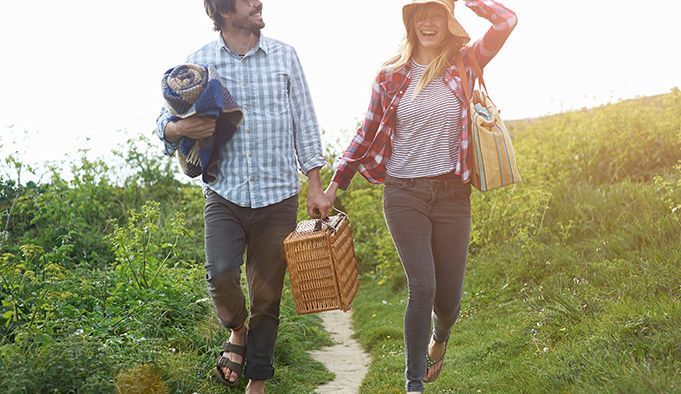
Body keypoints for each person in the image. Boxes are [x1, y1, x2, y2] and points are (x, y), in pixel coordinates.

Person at [324, 0, 517, 392]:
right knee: (423, 287)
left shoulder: (464, 63)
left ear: (449, 21)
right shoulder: (390, 76)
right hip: (403, 193)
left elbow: (507, 21)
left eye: (438, 14)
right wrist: (334, 185)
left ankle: (440, 337)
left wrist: (470, 3)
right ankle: (414, 385)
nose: (429, 23)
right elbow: (366, 131)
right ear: (411, 22)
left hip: (451, 195)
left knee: (447, 303)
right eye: (421, 15)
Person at [155, 0, 331, 392]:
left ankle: (258, 381)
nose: (259, 2)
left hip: (279, 194)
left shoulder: (286, 56)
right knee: (220, 276)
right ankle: (237, 330)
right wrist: (182, 127)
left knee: (267, 297)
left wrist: (315, 184)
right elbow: (161, 125)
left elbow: (305, 120)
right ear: (223, 8)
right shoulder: (199, 63)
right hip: (224, 192)